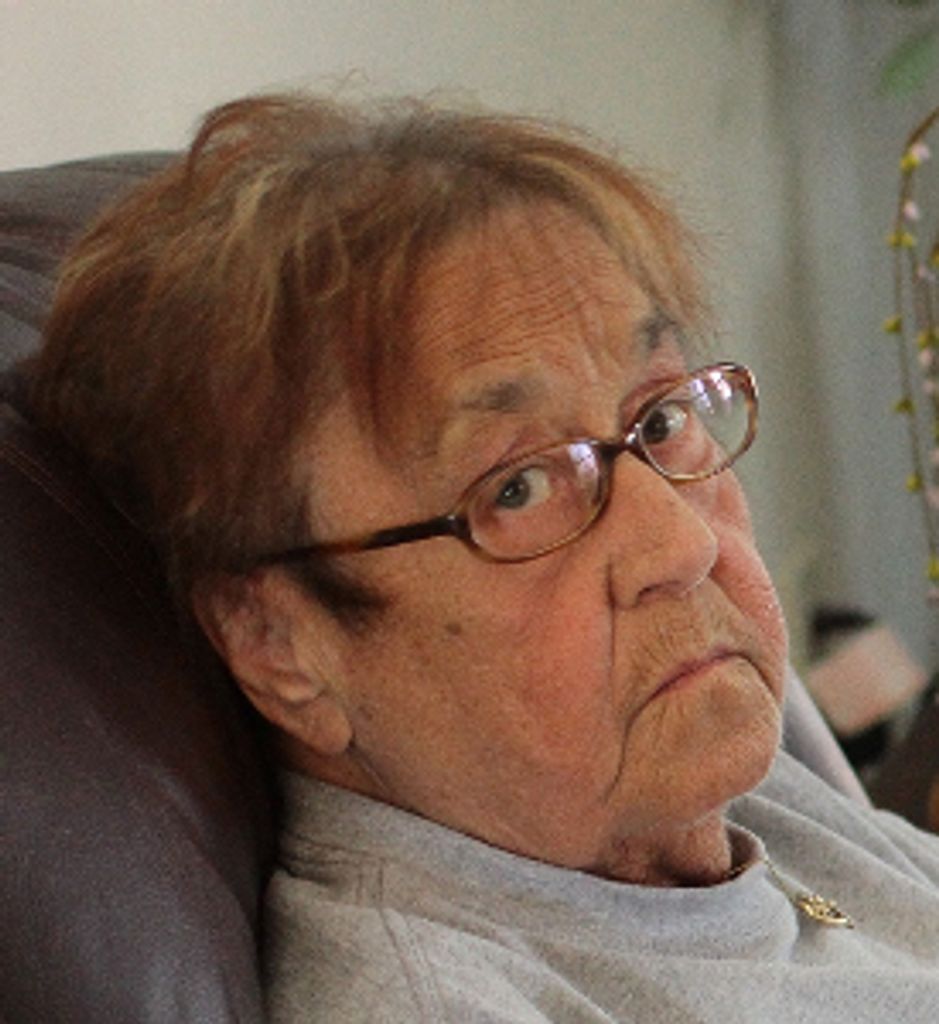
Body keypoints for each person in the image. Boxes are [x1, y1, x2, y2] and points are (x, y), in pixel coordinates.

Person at [27, 92, 939, 1022]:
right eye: (517, 488)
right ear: (279, 646)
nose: (683, 543)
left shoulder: (711, 798)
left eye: (661, 418)